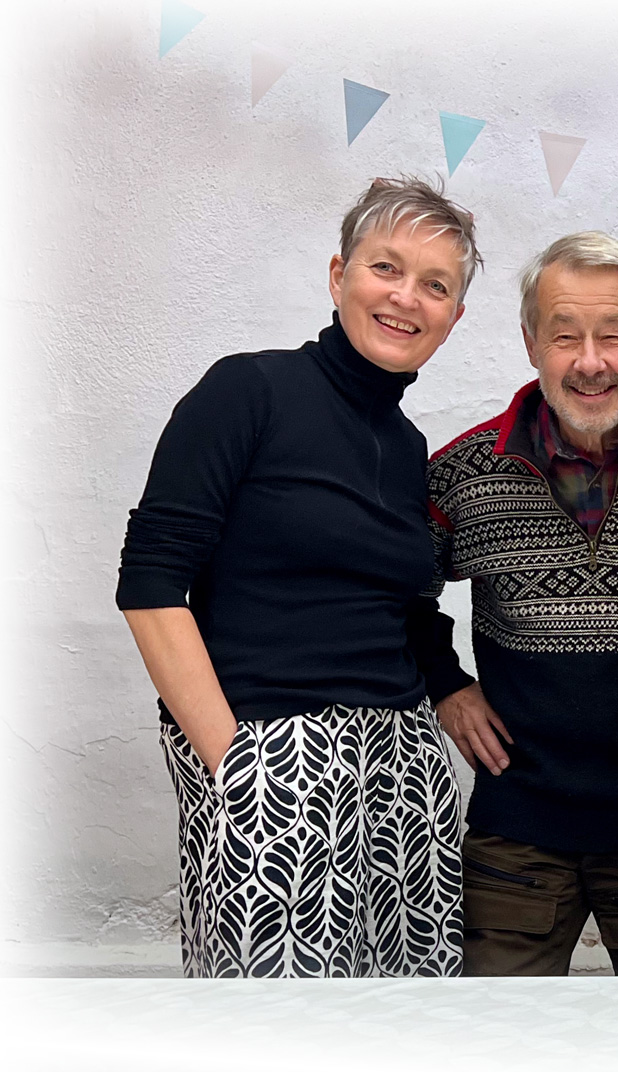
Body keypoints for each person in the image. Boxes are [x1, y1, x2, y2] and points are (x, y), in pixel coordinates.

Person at [115, 177, 482, 978]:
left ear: (454, 318)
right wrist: (235, 764)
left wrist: (451, 689)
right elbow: (149, 583)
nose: (406, 298)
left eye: (435, 285)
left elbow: (405, 605)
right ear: (338, 275)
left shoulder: (408, 446)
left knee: (408, 1008)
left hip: (402, 765)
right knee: (275, 1019)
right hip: (274, 754)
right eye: (386, 268)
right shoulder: (248, 390)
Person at [422, 232, 618, 976]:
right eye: (565, 336)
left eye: (613, 336)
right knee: (499, 1029)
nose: (590, 362)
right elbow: (392, 592)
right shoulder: (463, 473)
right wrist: (444, 682)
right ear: (531, 343)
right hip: (519, 828)